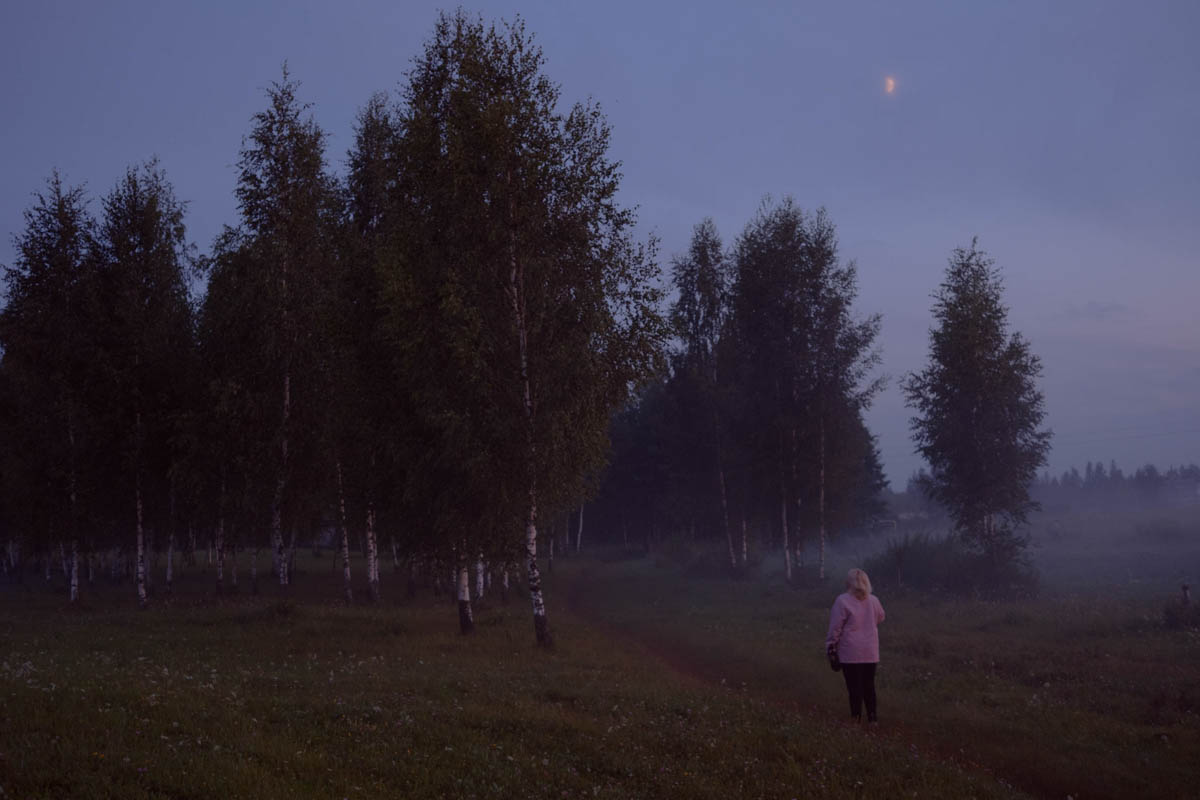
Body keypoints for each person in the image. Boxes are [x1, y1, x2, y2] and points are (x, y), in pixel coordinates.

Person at [825, 567, 885, 723]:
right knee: (869, 686)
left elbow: (836, 627)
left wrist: (831, 645)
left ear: (849, 583)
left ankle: (856, 719)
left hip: (850, 651)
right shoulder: (874, 600)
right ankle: (872, 719)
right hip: (870, 651)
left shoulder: (842, 600)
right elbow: (880, 617)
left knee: (854, 687)